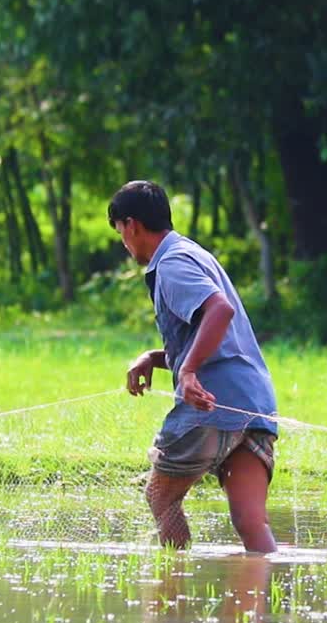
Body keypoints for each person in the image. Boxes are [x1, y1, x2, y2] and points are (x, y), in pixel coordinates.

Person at [110, 180, 279, 554]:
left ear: (131, 225)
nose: (124, 242)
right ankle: (259, 608)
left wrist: (186, 374)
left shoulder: (170, 265)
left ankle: (174, 596)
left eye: (121, 231)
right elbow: (207, 331)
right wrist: (155, 359)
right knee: (252, 523)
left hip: (211, 404)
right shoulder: (193, 253)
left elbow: (220, 311)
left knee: (160, 496)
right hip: (254, 404)